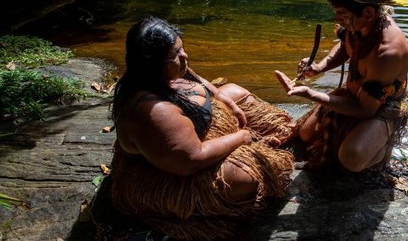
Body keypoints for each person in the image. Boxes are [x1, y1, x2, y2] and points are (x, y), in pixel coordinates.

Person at [107, 16, 294, 240]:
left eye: (181, 48)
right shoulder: (153, 111)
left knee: (234, 91)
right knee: (242, 178)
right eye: (175, 55)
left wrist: (229, 103)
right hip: (169, 173)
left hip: (195, 130)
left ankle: (281, 134)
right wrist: (242, 137)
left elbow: (199, 80)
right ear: (152, 64)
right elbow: (192, 159)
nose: (184, 57)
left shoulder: (167, 69)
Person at [275, 0, 408, 173]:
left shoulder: (387, 52)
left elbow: (365, 110)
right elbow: (345, 46)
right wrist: (319, 67)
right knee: (305, 134)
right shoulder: (360, 24)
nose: (336, 18)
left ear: (368, 13)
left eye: (341, 13)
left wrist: (312, 94)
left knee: (350, 157)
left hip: (380, 109)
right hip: (356, 96)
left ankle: (384, 146)